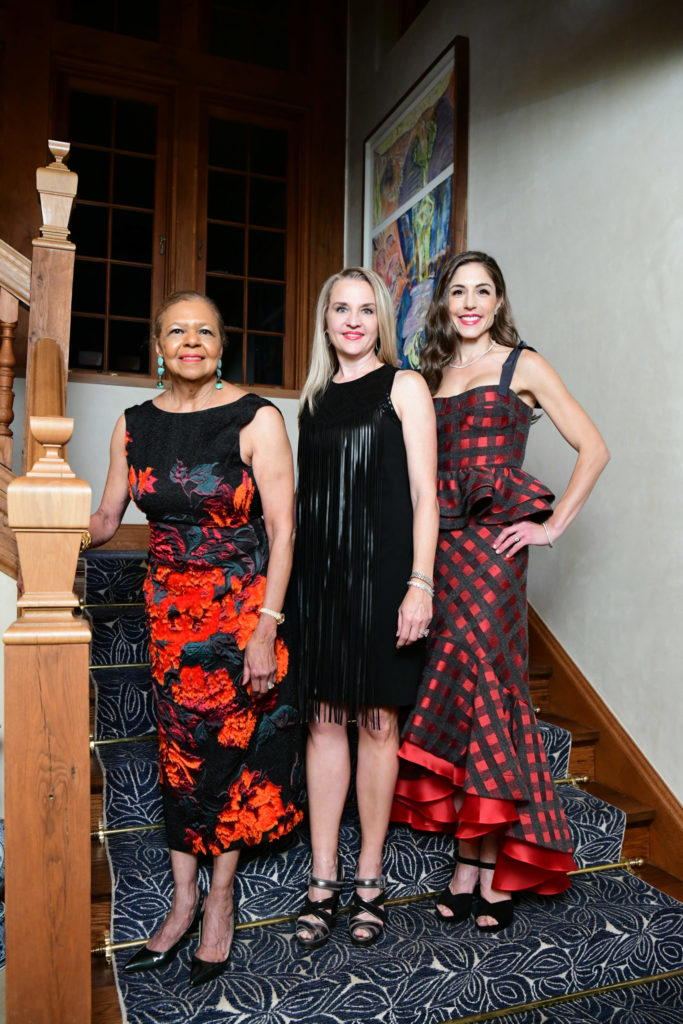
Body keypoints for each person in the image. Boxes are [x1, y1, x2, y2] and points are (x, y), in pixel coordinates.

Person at [85, 291, 303, 985]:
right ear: (158, 345)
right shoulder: (132, 424)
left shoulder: (257, 417)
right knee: (178, 754)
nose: (190, 341)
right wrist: (48, 531)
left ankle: (220, 899)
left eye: (203, 332)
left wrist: (267, 625)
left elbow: (283, 529)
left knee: (229, 754)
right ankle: (182, 900)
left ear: (220, 346)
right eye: (176, 331)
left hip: (241, 613)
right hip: (169, 618)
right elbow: (108, 516)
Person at [391, 251, 610, 932]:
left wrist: (549, 527)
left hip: (492, 553)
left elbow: (594, 448)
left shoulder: (523, 365)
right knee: (460, 695)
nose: (469, 303)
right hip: (438, 551)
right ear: (443, 304)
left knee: (487, 684)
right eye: (458, 291)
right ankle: (472, 864)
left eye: (481, 291)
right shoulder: (428, 376)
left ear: (498, 302)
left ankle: (485, 867)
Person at [294, 267, 439, 949]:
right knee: (325, 722)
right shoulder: (312, 400)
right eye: (340, 309)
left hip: (385, 580)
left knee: (379, 724)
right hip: (321, 582)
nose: (352, 320)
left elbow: (425, 495)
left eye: (365, 309)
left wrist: (420, 583)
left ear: (381, 318)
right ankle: (322, 879)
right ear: (325, 321)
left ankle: (371, 879)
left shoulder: (405, 386)